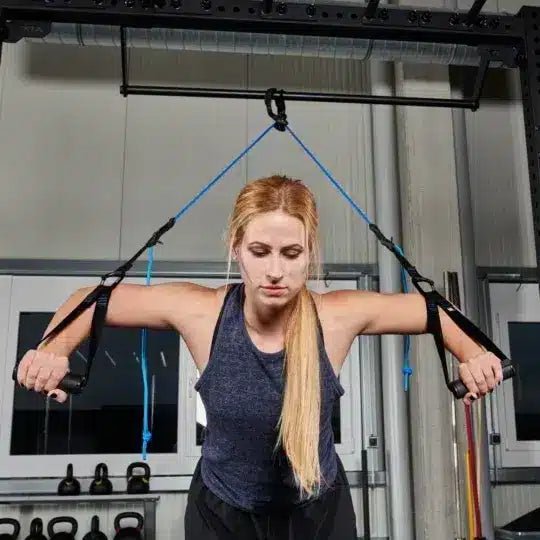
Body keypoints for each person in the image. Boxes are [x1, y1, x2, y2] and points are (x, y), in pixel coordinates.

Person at [16, 175, 503, 539]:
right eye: (260, 250)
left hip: (318, 512)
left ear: (310, 254)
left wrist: (472, 353)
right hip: (221, 512)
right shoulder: (203, 313)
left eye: (291, 253)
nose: (275, 270)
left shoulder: (334, 317)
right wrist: (55, 348)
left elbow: (436, 311)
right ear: (236, 248)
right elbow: (91, 298)